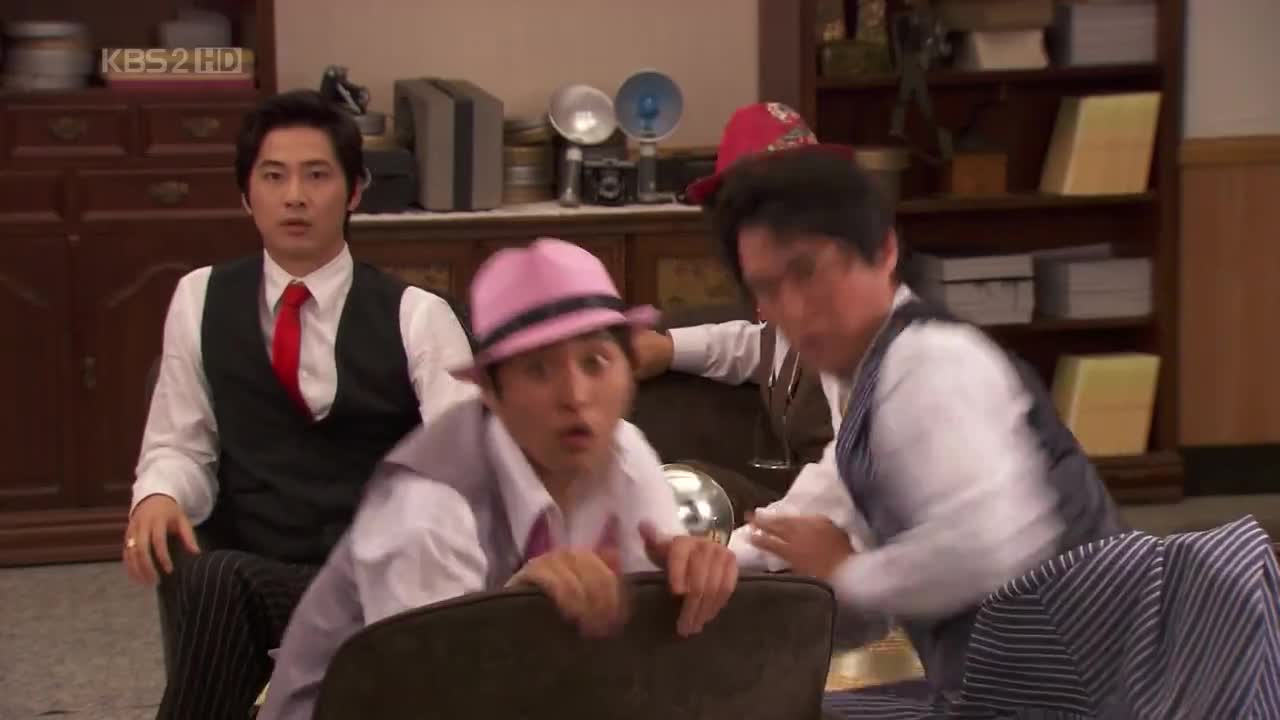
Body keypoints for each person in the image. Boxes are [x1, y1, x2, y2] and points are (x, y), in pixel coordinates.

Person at [258, 237, 740, 720]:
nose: (575, 396)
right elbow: (424, 702)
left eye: (595, 362)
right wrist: (507, 620)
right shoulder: (427, 507)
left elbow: (640, 655)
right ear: (490, 390)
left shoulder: (625, 451)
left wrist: (683, 582)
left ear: (631, 369)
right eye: (538, 369)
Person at [709, 147, 1126, 696]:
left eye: (807, 272)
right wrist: (714, 562)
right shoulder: (870, 371)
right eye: (767, 289)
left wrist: (845, 572)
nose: (793, 308)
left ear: (884, 251)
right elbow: (826, 499)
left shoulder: (930, 362)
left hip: (1083, 683)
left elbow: (988, 546)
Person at [123, 89, 476, 719]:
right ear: (245, 195)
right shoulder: (199, 298)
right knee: (214, 578)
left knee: (217, 585)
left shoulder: (417, 316)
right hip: (254, 562)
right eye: (273, 176)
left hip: (373, 580)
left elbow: (469, 467)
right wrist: (159, 494)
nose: (295, 197)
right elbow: (181, 445)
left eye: (317, 176)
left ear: (355, 191)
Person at [632, 102, 847, 524]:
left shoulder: (852, 311)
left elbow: (851, 485)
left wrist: (748, 545)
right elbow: (759, 345)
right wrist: (668, 348)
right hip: (797, 504)